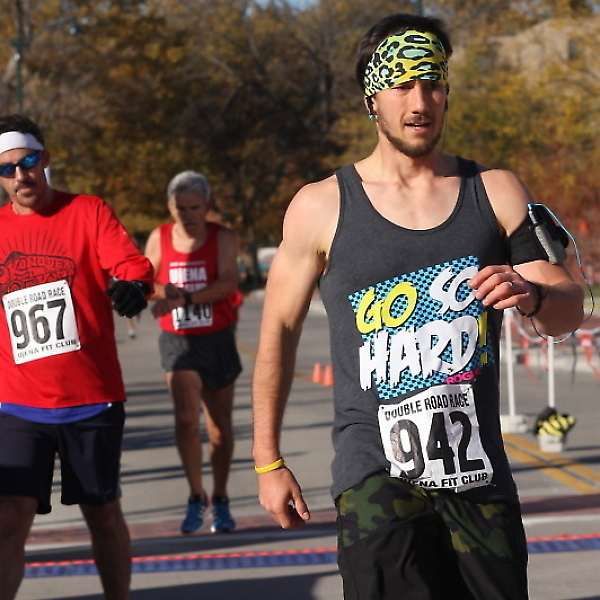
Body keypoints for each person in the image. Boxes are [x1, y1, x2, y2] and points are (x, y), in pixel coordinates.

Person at [251, 13, 584, 600]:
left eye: (432, 83)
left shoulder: (496, 191)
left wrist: (533, 294)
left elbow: (568, 310)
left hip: (477, 477)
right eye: (402, 84)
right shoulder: (321, 206)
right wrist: (267, 461)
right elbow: (278, 329)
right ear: (371, 99)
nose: (420, 101)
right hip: (374, 479)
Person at [0, 114, 153, 600]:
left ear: (44, 159)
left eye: (28, 162)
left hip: (91, 398)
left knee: (102, 515)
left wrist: (133, 287)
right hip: (17, 403)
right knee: (9, 518)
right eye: (6, 168)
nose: (20, 175)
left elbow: (131, 264)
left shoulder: (87, 211)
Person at [145, 170, 241, 535]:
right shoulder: (159, 237)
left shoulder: (223, 237)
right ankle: (195, 495)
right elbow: (145, 280)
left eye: (194, 208)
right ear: (170, 207)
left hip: (216, 338)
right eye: (180, 208)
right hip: (178, 340)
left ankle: (221, 497)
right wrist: (160, 292)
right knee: (186, 417)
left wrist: (184, 298)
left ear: (207, 206)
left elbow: (228, 283)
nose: (187, 215)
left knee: (219, 428)